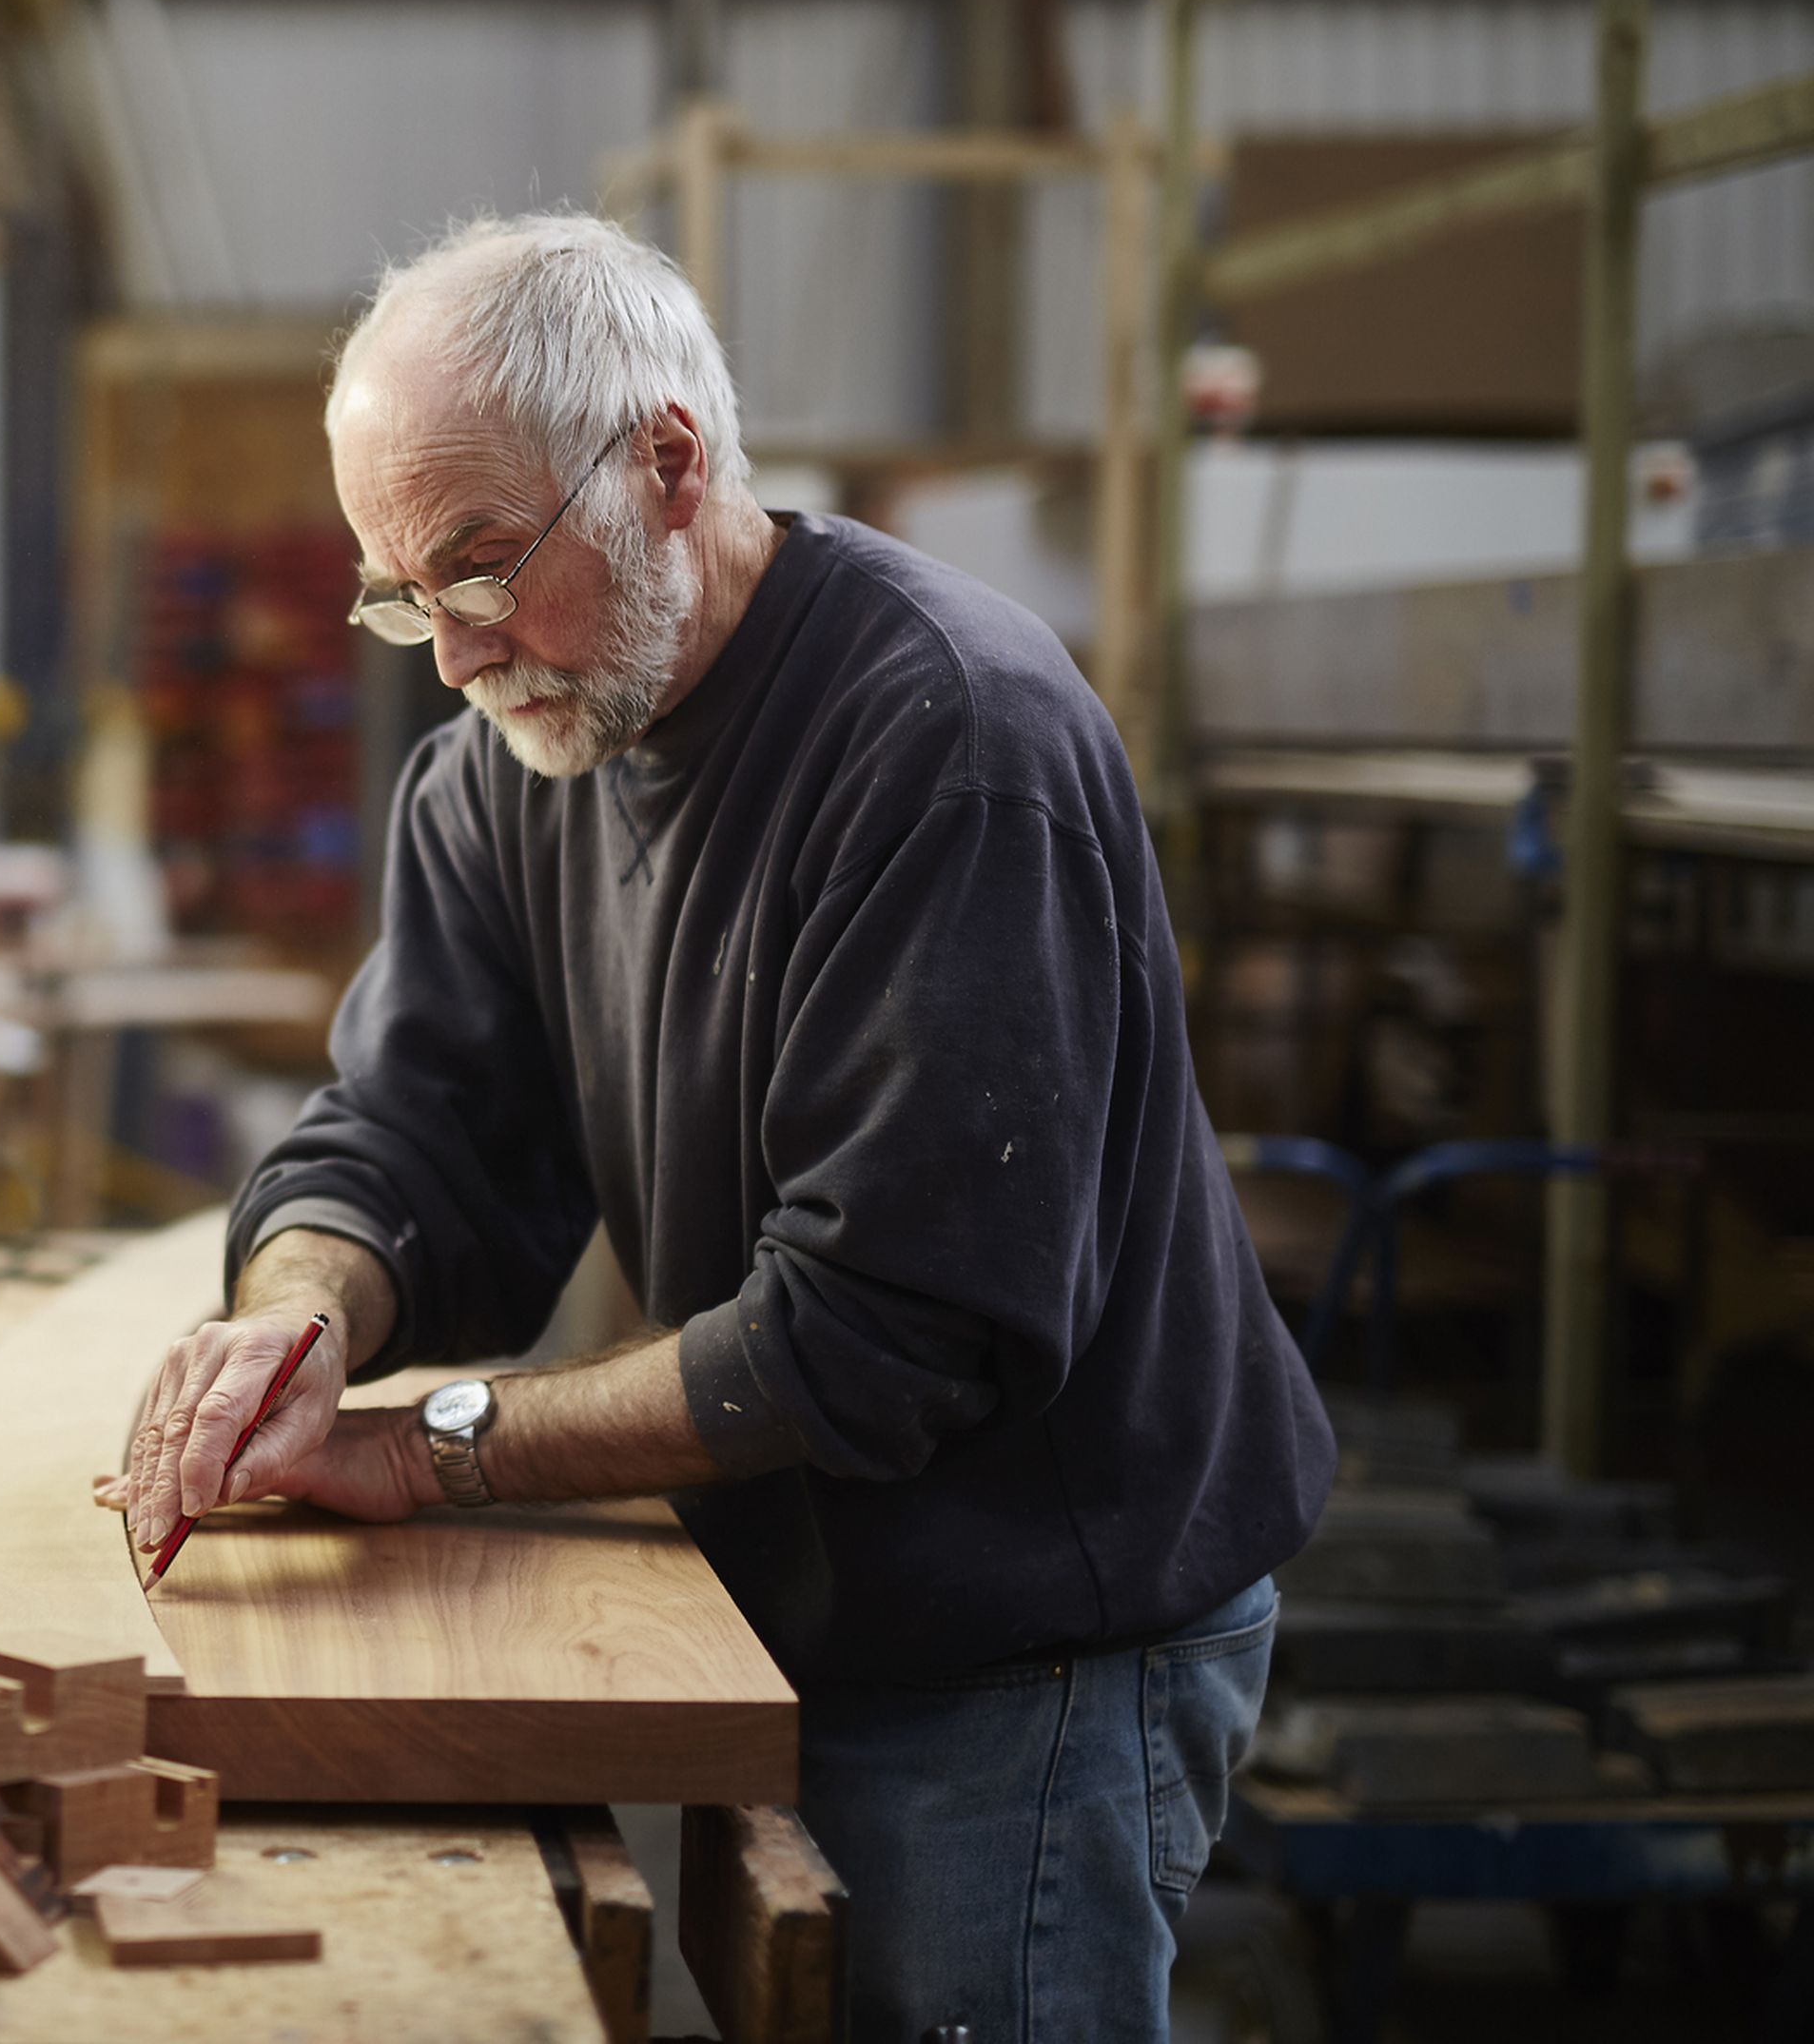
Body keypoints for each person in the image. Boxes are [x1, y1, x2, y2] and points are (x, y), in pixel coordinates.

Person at [107, 213, 1332, 2042]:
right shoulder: (505, 771)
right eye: (397, 594)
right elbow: (408, 1138)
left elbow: (877, 1341)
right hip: (794, 1594)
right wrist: (304, 1315)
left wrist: (432, 1444)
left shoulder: (948, 745)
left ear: (668, 465)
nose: (448, 653)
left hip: (1037, 1640)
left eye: (479, 565)